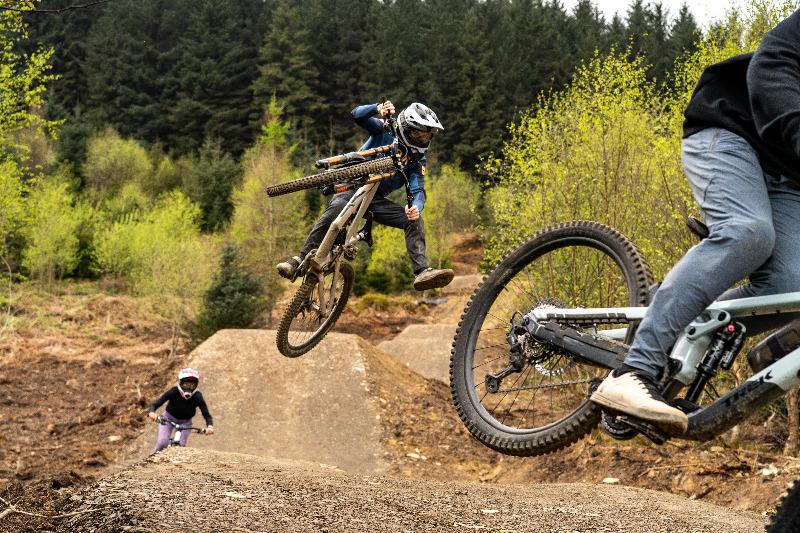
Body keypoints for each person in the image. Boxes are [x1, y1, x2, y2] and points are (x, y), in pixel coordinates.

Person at [590, 9, 800, 436]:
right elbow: (772, 62)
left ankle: (678, 316)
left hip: (790, 174)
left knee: (789, 286)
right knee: (747, 233)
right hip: (731, 130)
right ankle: (633, 371)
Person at [276, 100, 455, 292]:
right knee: (335, 212)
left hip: (375, 201)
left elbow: (419, 190)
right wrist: (377, 108)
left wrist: (416, 208)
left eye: (426, 136)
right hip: (353, 186)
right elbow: (357, 115)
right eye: (417, 134)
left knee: (415, 221)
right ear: (404, 127)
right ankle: (298, 260)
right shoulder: (384, 130)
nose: (421, 140)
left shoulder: (417, 160)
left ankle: (422, 272)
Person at [148, 368, 214, 452]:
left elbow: (207, 415)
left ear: (196, 385)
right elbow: (155, 404)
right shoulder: (173, 392)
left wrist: (210, 427)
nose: (189, 388)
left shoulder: (197, 397)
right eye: (186, 384)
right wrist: (152, 412)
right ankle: (151, 463)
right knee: (162, 442)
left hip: (185, 423)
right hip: (168, 419)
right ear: (180, 383)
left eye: (192, 385)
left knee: (180, 448)